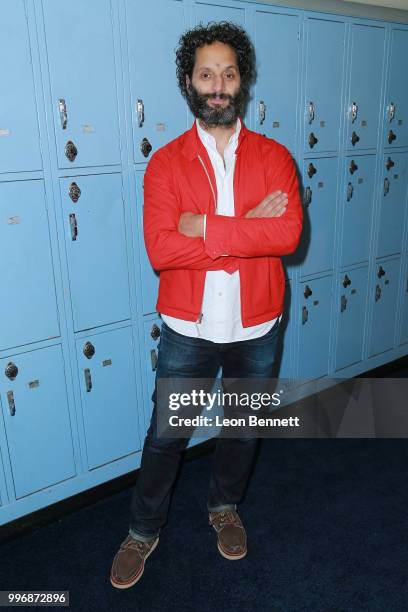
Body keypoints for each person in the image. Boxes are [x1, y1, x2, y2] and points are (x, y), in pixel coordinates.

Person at [110, 21, 302, 589]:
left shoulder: (274, 157)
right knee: (167, 435)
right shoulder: (167, 163)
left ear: (242, 82)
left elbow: (287, 235)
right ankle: (142, 532)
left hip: (257, 324)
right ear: (189, 83)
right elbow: (161, 250)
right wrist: (245, 231)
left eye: (228, 73)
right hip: (187, 327)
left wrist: (204, 228)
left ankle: (224, 508)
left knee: (242, 428)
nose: (218, 85)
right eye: (206, 74)